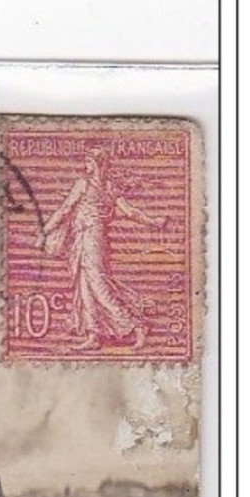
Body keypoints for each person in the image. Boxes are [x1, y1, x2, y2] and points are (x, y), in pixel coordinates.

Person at [37, 148, 167, 352]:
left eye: (89, 162)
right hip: (83, 239)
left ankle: (136, 325)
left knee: (98, 284)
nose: (85, 166)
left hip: (92, 239)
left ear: (98, 164)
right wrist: (153, 222)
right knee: (85, 285)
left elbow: (65, 210)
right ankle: (94, 335)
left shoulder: (92, 185)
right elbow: (129, 212)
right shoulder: (103, 186)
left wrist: (44, 231)